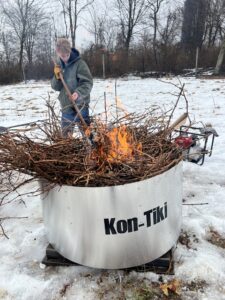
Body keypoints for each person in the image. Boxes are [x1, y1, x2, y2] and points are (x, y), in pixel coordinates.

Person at [51, 38, 93, 137]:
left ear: (69, 51)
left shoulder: (79, 64)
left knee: (87, 135)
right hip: (66, 107)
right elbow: (55, 87)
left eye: (67, 55)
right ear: (58, 53)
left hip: (81, 105)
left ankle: (92, 150)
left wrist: (78, 93)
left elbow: (88, 82)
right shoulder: (58, 65)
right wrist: (57, 77)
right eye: (62, 56)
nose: (65, 58)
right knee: (66, 139)